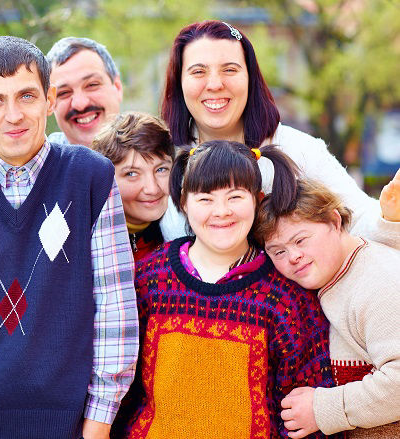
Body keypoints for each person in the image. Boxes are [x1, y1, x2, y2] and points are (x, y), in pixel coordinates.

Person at [0, 36, 138, 439]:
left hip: (74, 425)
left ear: (49, 100)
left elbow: (115, 310)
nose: (13, 114)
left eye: (26, 96)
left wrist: (98, 425)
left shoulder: (91, 178)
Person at [116, 140, 334, 438]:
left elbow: (308, 408)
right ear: (183, 202)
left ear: (257, 199)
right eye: (205, 199)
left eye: (235, 197)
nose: (221, 211)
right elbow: (120, 387)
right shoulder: (149, 279)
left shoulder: (286, 296)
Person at [157, 20, 400, 242]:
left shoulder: (298, 150)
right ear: (179, 83)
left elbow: (360, 219)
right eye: (198, 72)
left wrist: (388, 215)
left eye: (229, 69)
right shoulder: (161, 159)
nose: (214, 84)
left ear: (250, 78)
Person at [255, 178, 400, 439]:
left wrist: (322, 409)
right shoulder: (330, 279)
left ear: (334, 221)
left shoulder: (380, 280)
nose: (293, 256)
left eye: (301, 240)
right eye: (278, 252)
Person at [91, 112, 174, 262]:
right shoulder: (88, 241)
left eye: (161, 170)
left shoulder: (187, 228)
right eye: (132, 174)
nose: (152, 189)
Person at [47, 37, 123, 146]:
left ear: (117, 87)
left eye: (92, 85)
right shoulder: (40, 156)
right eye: (64, 93)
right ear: (51, 103)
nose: (80, 104)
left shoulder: (149, 149)